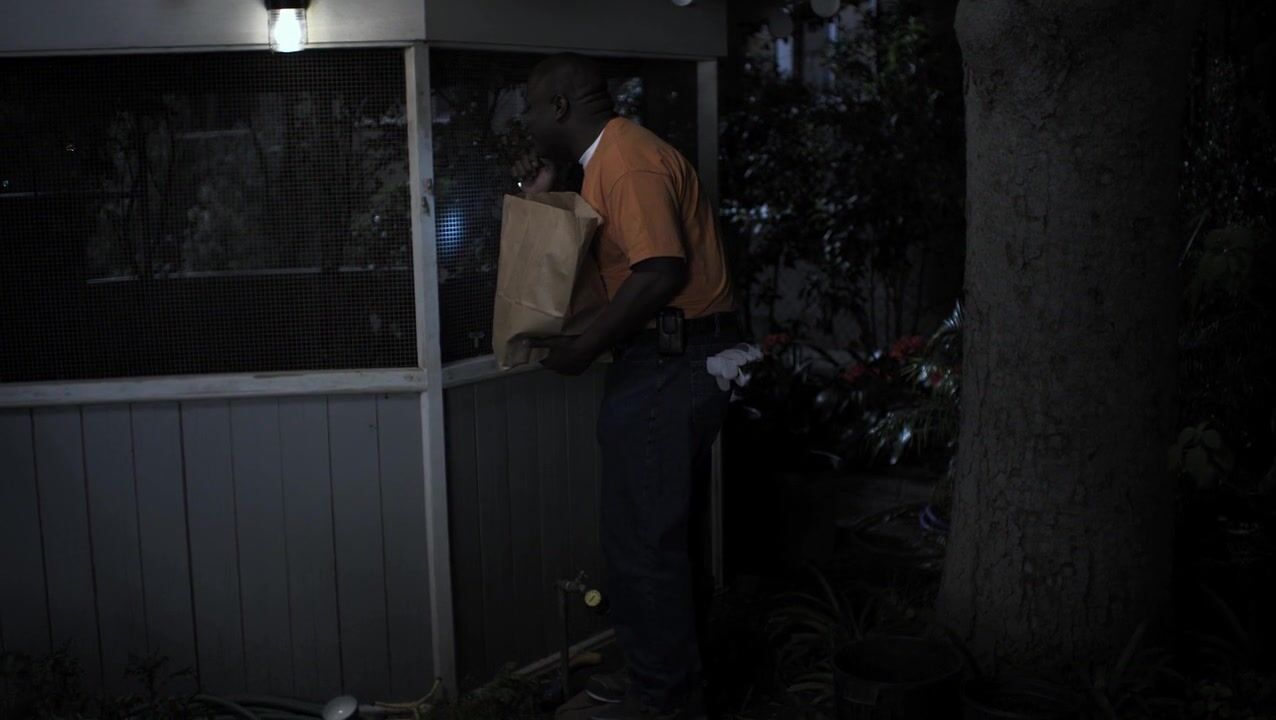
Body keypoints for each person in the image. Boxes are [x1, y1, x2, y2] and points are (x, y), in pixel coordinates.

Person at [512, 53, 738, 720]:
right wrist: (547, 191)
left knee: (643, 541)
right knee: (653, 535)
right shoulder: (605, 162)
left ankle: (666, 698)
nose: (525, 122)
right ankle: (662, 677)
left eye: (529, 108)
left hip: (669, 364)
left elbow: (660, 269)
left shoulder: (627, 160)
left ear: (559, 106)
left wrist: (585, 347)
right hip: (664, 362)